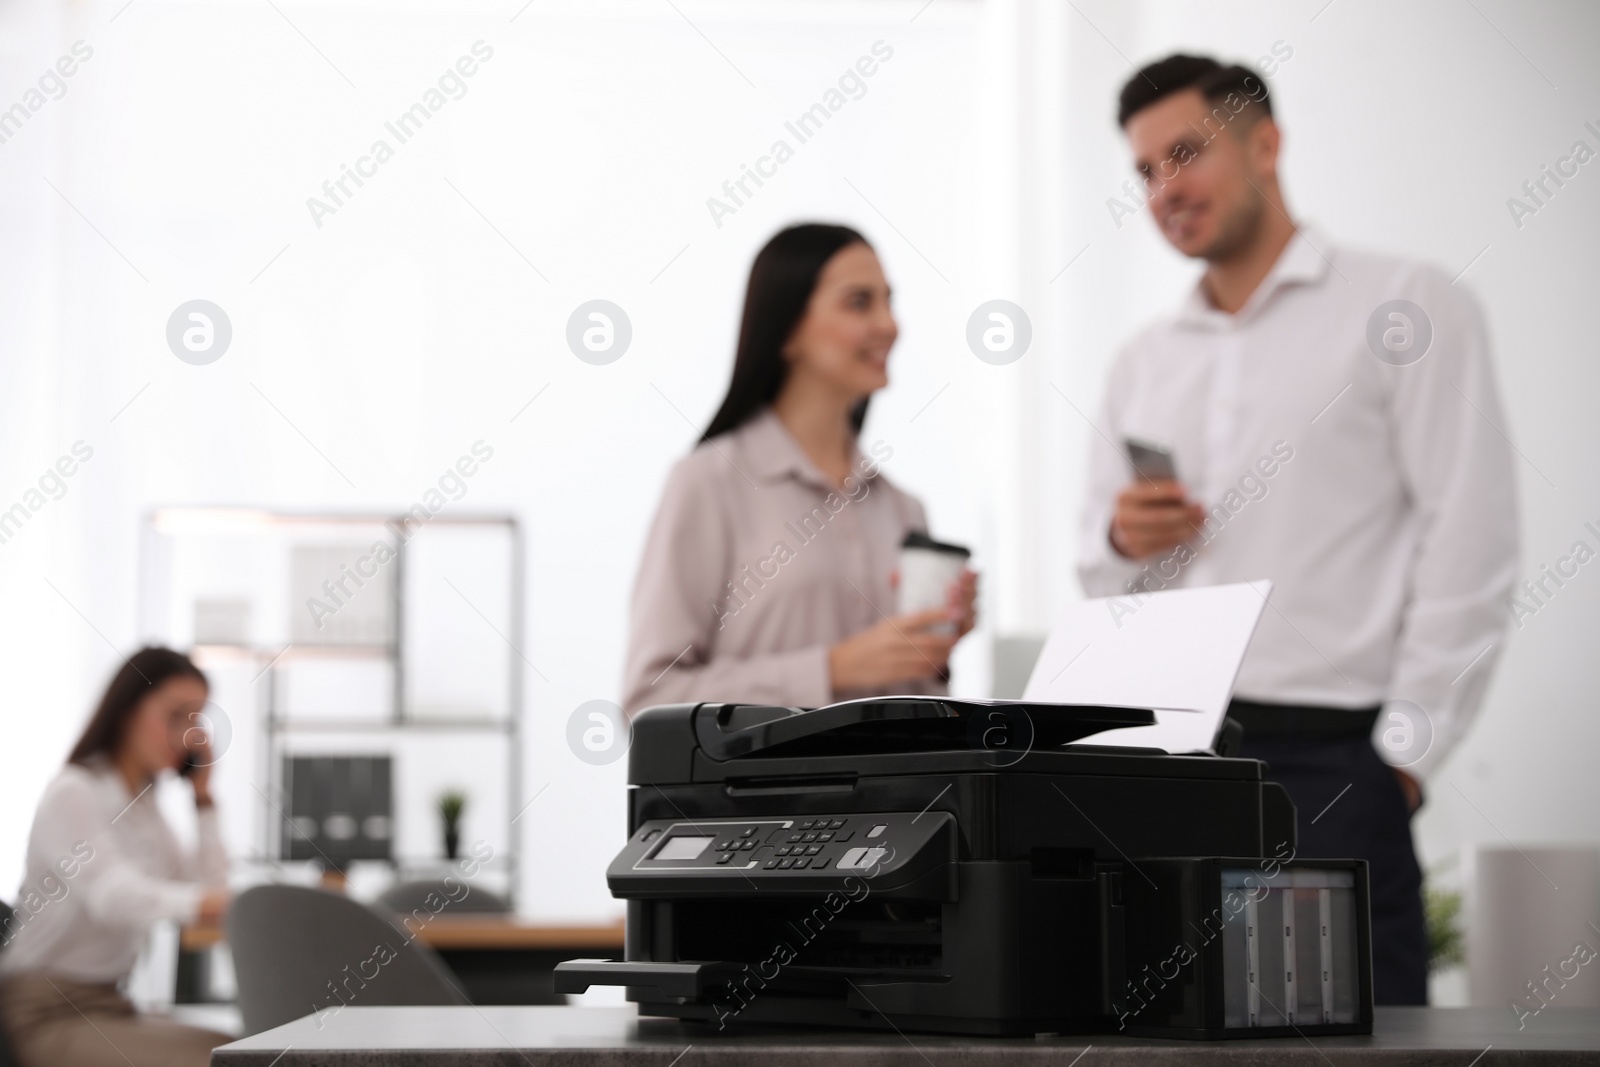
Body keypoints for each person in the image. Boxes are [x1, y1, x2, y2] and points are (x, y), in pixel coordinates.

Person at [1077, 55, 1518, 1005]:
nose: (1164, 189)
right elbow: (1097, 582)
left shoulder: (1407, 304)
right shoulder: (1140, 363)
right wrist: (1122, 545)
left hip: (1336, 768)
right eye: (1144, 172)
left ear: (1265, 144)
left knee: (1358, 1049)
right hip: (1172, 773)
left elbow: (1471, 535)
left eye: (1184, 154)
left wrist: (1401, 761)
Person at [623, 223, 978, 714]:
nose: (889, 325)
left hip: (894, 794)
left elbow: (917, 712)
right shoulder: (708, 483)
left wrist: (934, 651)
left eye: (888, 301)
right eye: (859, 302)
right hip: (759, 794)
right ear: (787, 330)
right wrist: (831, 670)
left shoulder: (903, 510)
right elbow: (647, 699)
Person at [0, 647, 232, 1066]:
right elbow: (114, 898)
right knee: (221, 1060)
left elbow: (208, 890)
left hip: (109, 1003)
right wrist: (208, 903)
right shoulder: (75, 792)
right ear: (128, 710)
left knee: (238, 1048)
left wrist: (202, 798)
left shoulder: (146, 808)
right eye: (176, 716)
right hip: (44, 1012)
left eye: (196, 720)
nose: (189, 736)